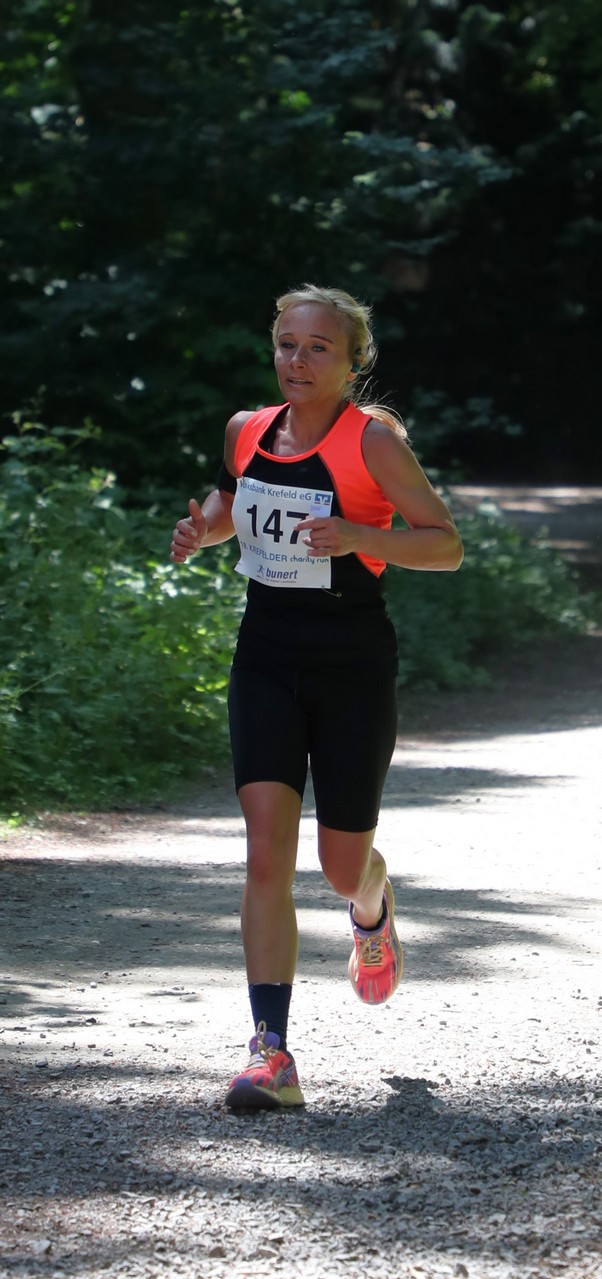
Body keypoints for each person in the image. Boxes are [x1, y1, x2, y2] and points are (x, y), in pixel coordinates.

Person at [169, 284, 463, 1110]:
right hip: (265, 657)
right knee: (266, 849)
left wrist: (362, 535)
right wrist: (202, 529)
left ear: (352, 362)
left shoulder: (373, 444)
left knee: (339, 868)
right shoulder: (247, 429)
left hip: (351, 665)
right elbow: (235, 501)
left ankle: (372, 904)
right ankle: (272, 1052)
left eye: (317, 348)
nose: (297, 361)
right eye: (286, 345)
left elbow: (446, 545)